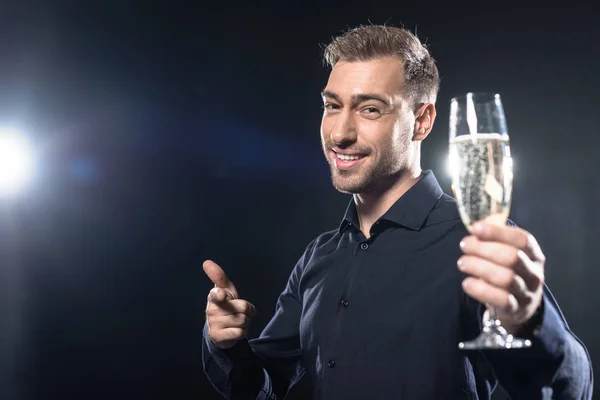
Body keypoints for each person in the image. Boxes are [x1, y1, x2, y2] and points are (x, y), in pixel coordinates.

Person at [201, 24, 593, 399]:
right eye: (332, 105)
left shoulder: (478, 243)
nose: (340, 133)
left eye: (370, 109)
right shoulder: (317, 259)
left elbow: (570, 390)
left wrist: (531, 320)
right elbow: (261, 386)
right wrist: (227, 342)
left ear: (421, 121)